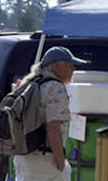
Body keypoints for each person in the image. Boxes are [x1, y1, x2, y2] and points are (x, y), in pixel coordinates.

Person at [13, 46, 88, 181]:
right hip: (45, 160)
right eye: (70, 66)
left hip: (23, 156)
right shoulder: (56, 88)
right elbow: (53, 129)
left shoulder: (27, 84)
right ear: (56, 67)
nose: (73, 70)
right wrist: (60, 162)